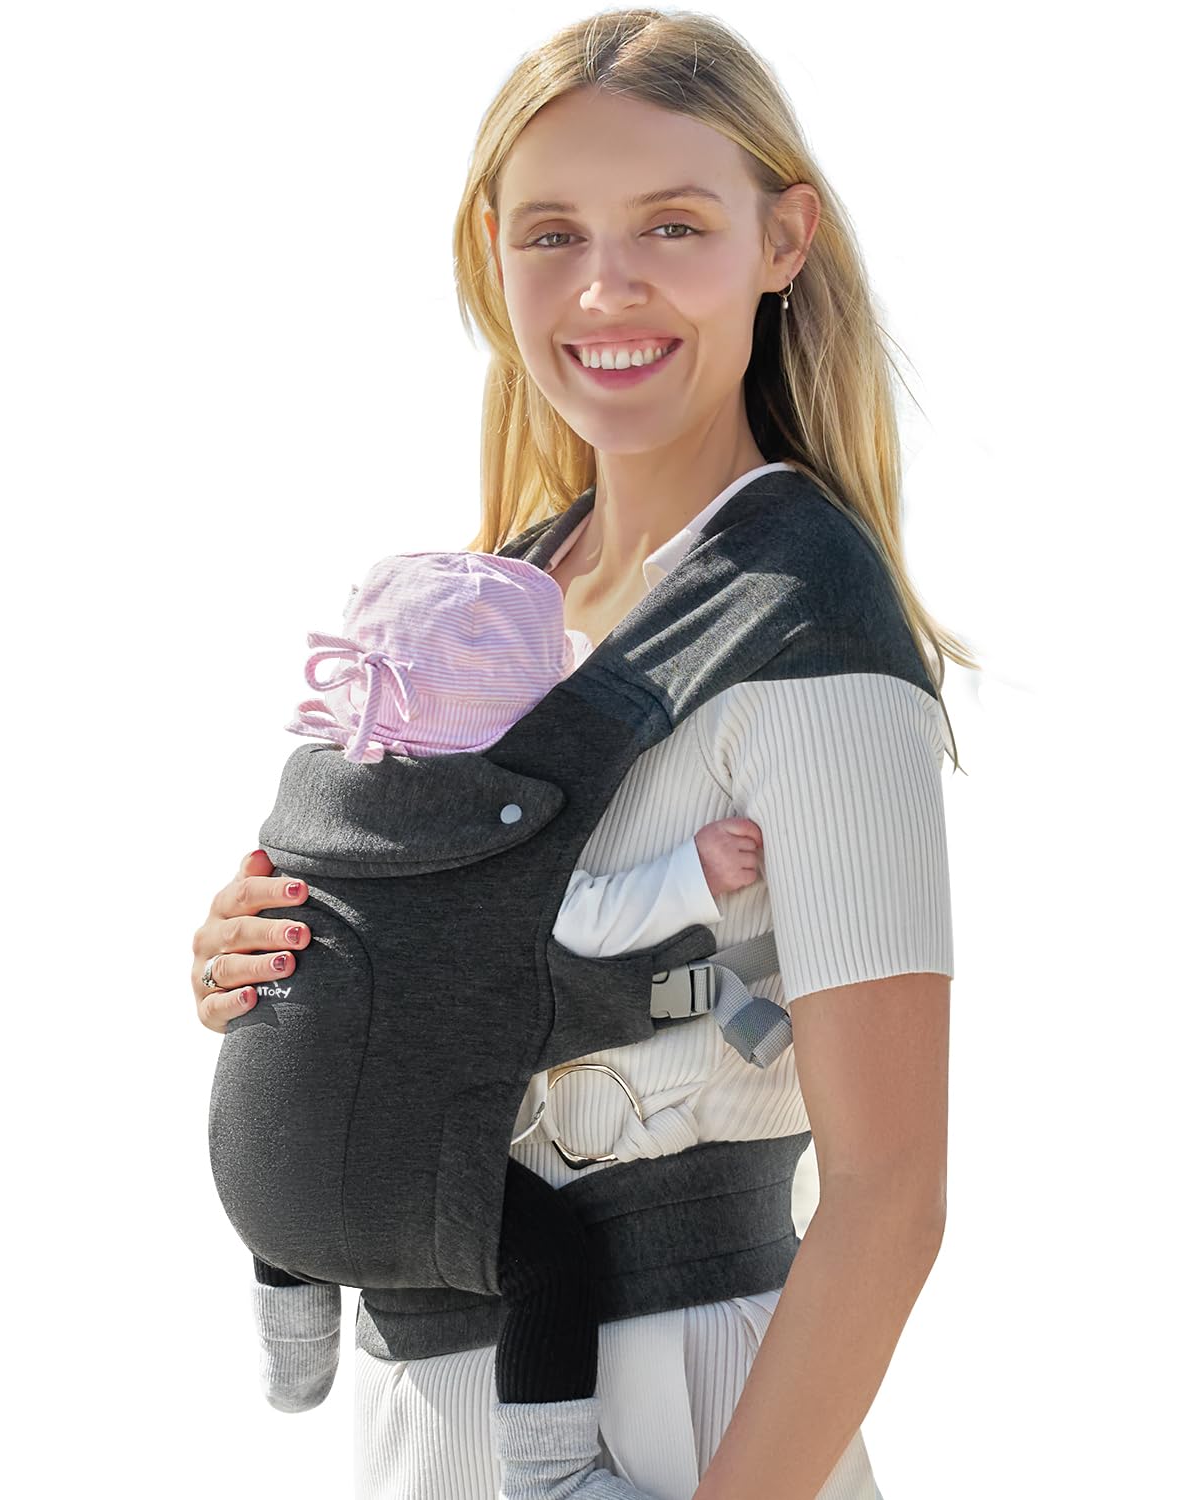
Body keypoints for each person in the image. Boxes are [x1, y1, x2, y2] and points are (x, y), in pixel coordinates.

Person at [191, 10, 974, 1498]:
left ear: (782, 240)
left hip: (683, 1413)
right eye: (553, 234)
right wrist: (278, 963)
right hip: (431, 1410)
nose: (607, 287)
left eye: (673, 225)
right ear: (492, 253)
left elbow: (891, 1195)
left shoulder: (808, 632)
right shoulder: (495, 613)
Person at [242, 545, 773, 1500]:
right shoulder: (486, 838)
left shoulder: (313, 814)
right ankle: (552, 1474)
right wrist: (692, 874)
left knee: (301, 1102)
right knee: (549, 1262)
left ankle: (294, 1350)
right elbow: (588, 920)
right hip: (404, 1189)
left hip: (261, 1193)